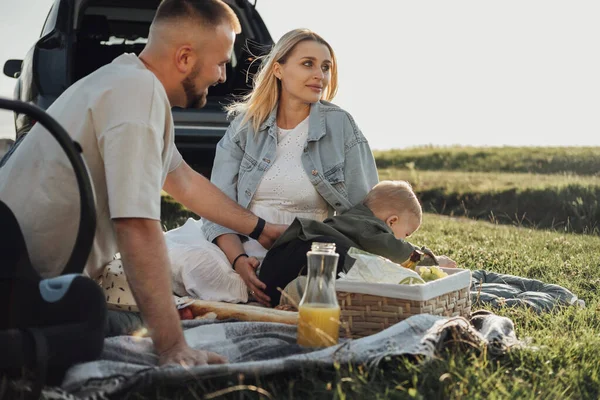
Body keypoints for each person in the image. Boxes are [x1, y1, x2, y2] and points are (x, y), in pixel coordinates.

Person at [0, 0, 287, 367]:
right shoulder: (137, 93)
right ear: (184, 58)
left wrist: (260, 229)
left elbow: (182, 180)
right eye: (220, 63)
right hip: (14, 279)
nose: (221, 76)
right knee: (90, 318)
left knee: (122, 318)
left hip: (22, 273)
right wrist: (172, 348)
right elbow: (136, 224)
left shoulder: (128, 81)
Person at [166, 28, 379, 306]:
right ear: (278, 69)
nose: (320, 75)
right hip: (234, 249)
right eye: (308, 64)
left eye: (326, 67)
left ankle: (250, 293)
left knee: (296, 280)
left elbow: (365, 211)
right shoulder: (245, 126)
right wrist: (240, 260)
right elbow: (217, 209)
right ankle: (239, 285)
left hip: (301, 251)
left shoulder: (340, 126)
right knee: (165, 257)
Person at [259, 180, 458, 306]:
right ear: (392, 221)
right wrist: (432, 261)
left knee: (348, 262)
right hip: (305, 254)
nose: (404, 240)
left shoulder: (349, 221)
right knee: (353, 261)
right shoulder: (368, 228)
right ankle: (299, 290)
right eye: (405, 234)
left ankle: (294, 293)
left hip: (276, 267)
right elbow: (394, 249)